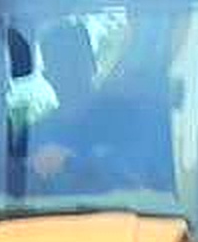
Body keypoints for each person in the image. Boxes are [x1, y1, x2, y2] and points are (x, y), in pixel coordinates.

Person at [22, 20, 165, 195]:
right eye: (60, 64)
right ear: (47, 75)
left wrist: (71, 163)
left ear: (92, 64)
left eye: (76, 61)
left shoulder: (130, 121)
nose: (69, 72)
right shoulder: (34, 135)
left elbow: (143, 186)